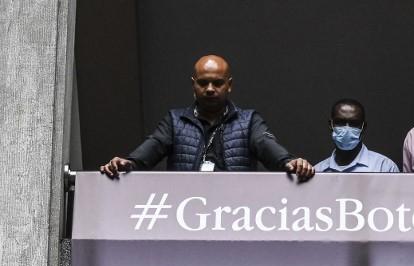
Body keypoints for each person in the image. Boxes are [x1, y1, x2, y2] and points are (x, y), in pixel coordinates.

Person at [100, 54, 314, 181]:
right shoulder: (175, 121)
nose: (210, 89)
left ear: (229, 85)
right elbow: (152, 147)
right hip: (185, 212)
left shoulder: (248, 121)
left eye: (218, 83)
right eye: (203, 83)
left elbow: (266, 144)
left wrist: (290, 162)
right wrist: (127, 163)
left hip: (237, 212)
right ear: (193, 84)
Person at [314, 98, 399, 173]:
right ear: (330, 125)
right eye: (340, 122)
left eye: (354, 123)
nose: (347, 129)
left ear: (363, 127)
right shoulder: (318, 171)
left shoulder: (384, 168)